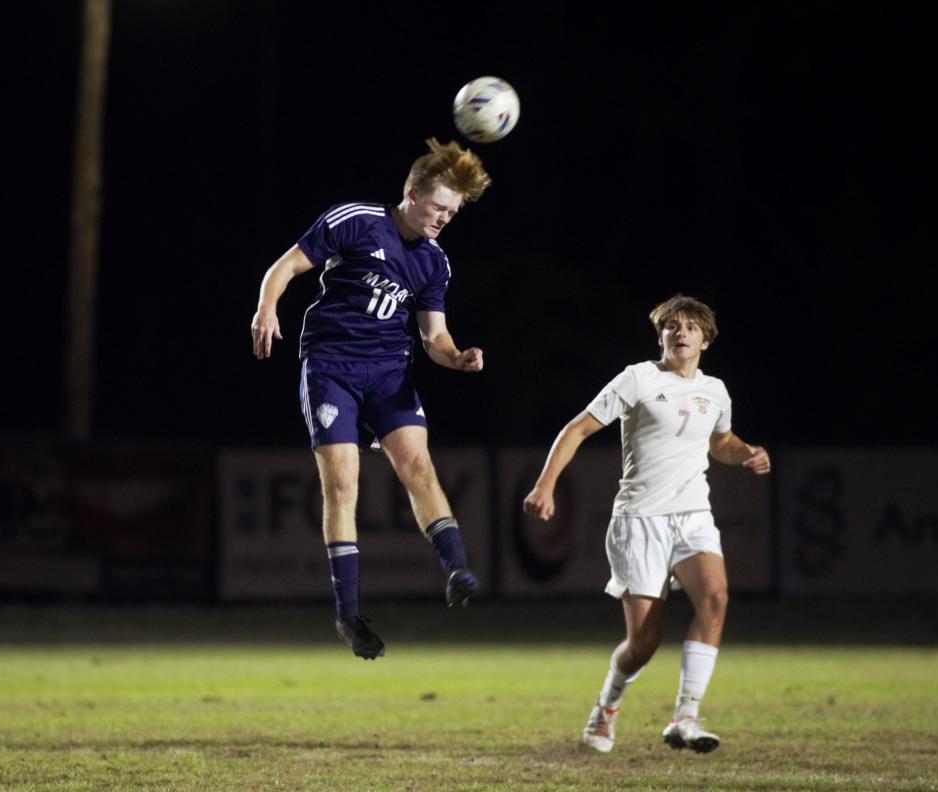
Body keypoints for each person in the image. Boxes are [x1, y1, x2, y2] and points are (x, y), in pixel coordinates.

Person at [250, 139, 490, 660]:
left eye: (453, 212)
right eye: (439, 207)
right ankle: (348, 613)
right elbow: (285, 266)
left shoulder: (434, 263)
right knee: (342, 483)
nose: (445, 219)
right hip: (331, 367)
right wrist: (267, 309)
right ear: (411, 193)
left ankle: (457, 570)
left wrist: (459, 358)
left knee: (417, 466)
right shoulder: (356, 220)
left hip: (389, 373)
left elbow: (434, 339)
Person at [523, 294, 771, 753]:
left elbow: (722, 442)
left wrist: (747, 453)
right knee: (645, 641)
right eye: (672, 326)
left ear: (706, 340)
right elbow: (576, 428)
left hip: (693, 513)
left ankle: (686, 717)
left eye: (691, 327)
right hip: (639, 519)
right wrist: (545, 486)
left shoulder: (715, 390)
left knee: (715, 597)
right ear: (660, 336)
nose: (681, 333)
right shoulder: (637, 379)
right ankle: (605, 710)